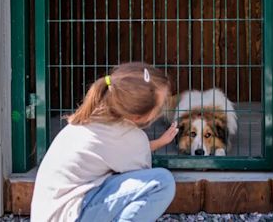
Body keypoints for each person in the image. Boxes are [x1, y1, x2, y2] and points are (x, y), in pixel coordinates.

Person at [31, 62, 178, 222]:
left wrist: (158, 142)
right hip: (69, 214)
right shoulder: (128, 135)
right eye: (160, 106)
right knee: (161, 182)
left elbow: (120, 152)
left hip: (53, 212)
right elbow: (137, 171)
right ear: (138, 117)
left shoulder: (92, 117)